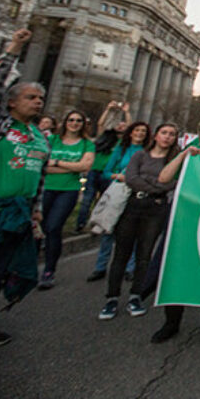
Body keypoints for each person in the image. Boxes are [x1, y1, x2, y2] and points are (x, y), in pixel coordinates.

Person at [0, 29, 46, 346]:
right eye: (31, 97)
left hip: (17, 213)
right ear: (11, 101)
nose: (38, 102)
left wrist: (36, 214)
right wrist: (14, 49)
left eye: (41, 99)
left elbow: (40, 179)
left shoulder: (39, 137)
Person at [150, 115, 200, 343]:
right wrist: (183, 155)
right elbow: (164, 177)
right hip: (187, 220)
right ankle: (171, 322)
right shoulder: (190, 155)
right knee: (178, 268)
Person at [97, 123, 179, 320]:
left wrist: (157, 186)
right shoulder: (140, 155)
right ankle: (112, 298)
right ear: (156, 136)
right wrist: (159, 185)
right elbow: (131, 178)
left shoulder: (173, 161)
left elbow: (174, 182)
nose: (167, 137)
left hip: (156, 209)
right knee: (121, 254)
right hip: (133, 206)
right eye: (164, 133)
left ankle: (136, 296)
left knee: (144, 254)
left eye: (172, 135)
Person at [85, 122, 149, 282]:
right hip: (119, 192)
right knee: (108, 230)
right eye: (137, 130)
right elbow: (106, 172)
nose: (140, 133)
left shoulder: (148, 152)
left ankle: (130, 267)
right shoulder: (121, 149)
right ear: (131, 133)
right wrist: (118, 176)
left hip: (136, 194)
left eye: (143, 131)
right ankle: (100, 266)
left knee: (134, 231)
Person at [38, 109, 95, 289]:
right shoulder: (51, 140)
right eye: (71, 119)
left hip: (68, 190)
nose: (75, 123)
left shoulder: (87, 144)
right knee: (37, 229)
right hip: (45, 188)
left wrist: (55, 163)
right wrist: (71, 167)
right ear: (65, 122)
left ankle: (49, 270)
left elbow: (85, 166)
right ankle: (25, 269)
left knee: (53, 227)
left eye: (79, 120)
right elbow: (41, 164)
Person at [76, 101, 131, 232]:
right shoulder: (105, 137)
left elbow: (130, 126)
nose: (121, 126)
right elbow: (101, 124)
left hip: (110, 174)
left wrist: (126, 112)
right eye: (119, 124)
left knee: (103, 200)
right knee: (87, 198)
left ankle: (97, 222)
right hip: (94, 171)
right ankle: (81, 224)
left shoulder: (123, 142)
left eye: (123, 125)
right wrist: (107, 109)